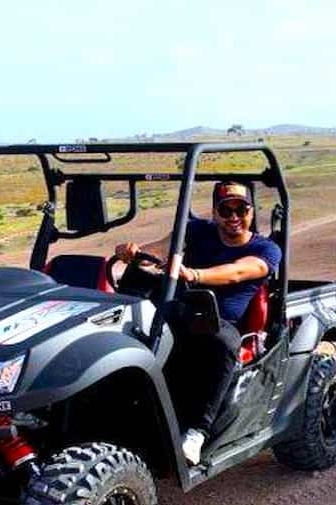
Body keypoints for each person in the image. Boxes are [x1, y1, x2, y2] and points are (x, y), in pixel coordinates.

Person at [114, 181, 281, 465]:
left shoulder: (266, 249)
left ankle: (197, 432)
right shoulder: (197, 231)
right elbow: (160, 251)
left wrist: (193, 274)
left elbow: (237, 272)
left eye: (241, 210)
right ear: (215, 213)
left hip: (219, 321)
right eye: (225, 210)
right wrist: (132, 252)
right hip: (179, 309)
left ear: (251, 212)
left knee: (223, 342)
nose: (234, 217)